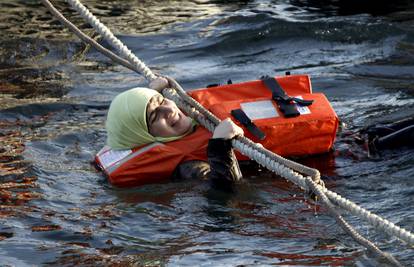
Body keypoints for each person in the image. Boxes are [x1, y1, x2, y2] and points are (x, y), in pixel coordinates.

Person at [105, 76, 244, 191]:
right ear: (144, 136)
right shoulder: (187, 166)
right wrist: (221, 145)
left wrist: (155, 93)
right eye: (155, 116)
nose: (169, 110)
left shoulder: (180, 115)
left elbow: (143, 114)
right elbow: (225, 191)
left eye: (163, 101)